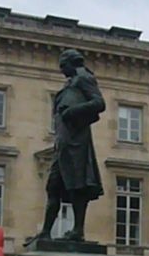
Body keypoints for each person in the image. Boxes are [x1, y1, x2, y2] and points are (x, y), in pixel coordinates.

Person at [28, 48, 105, 244]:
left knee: (77, 187)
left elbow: (99, 103)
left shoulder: (83, 78)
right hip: (63, 144)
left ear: (73, 63)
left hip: (76, 143)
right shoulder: (71, 82)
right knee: (53, 187)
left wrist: (74, 111)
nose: (62, 70)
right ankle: (46, 231)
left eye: (64, 66)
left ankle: (78, 230)